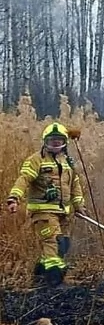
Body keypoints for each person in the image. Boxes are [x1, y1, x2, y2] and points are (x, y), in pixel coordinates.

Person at [5, 122, 86, 287]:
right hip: (43, 212)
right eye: (51, 140)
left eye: (58, 140)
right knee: (54, 242)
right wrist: (14, 198)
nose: (55, 143)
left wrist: (79, 205)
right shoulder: (36, 160)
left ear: (64, 142)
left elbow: (75, 185)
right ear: (45, 141)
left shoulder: (67, 162)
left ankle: (40, 273)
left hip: (63, 212)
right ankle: (54, 280)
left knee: (63, 244)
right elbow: (24, 179)